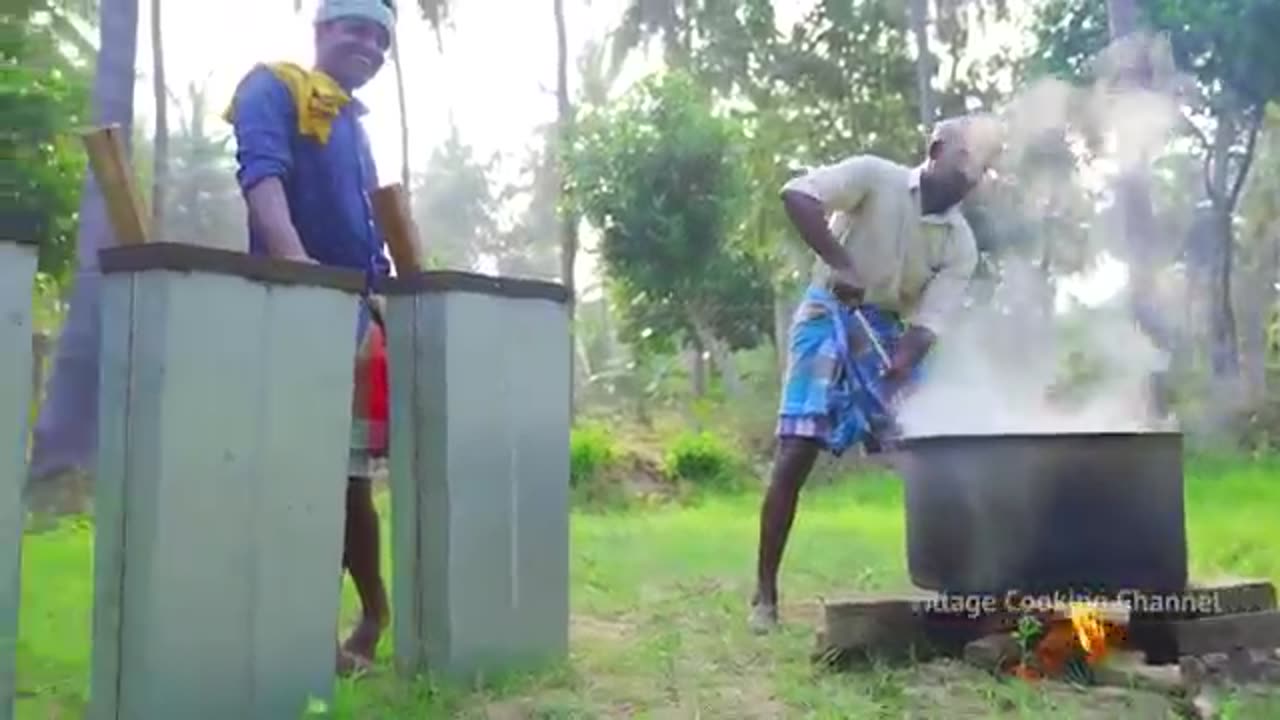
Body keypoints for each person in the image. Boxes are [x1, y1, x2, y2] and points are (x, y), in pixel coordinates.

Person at [749, 115, 1003, 633]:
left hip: (884, 327)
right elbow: (797, 194)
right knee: (798, 449)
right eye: (967, 156)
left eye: (984, 163)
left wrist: (903, 364)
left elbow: (927, 324)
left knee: (930, 448)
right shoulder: (875, 176)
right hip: (825, 314)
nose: (975, 171)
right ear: (934, 149)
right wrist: (842, 264)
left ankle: (962, 586)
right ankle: (765, 595)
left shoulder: (961, 245)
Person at [223, 0, 397, 672]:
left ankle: (373, 618)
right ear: (321, 30)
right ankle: (309, 642)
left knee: (348, 480)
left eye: (381, 39)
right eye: (356, 29)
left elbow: (365, 225)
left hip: (351, 325)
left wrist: (382, 302)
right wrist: (297, 268)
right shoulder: (272, 85)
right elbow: (261, 175)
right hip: (291, 316)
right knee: (303, 485)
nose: (370, 46)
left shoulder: (350, 121)